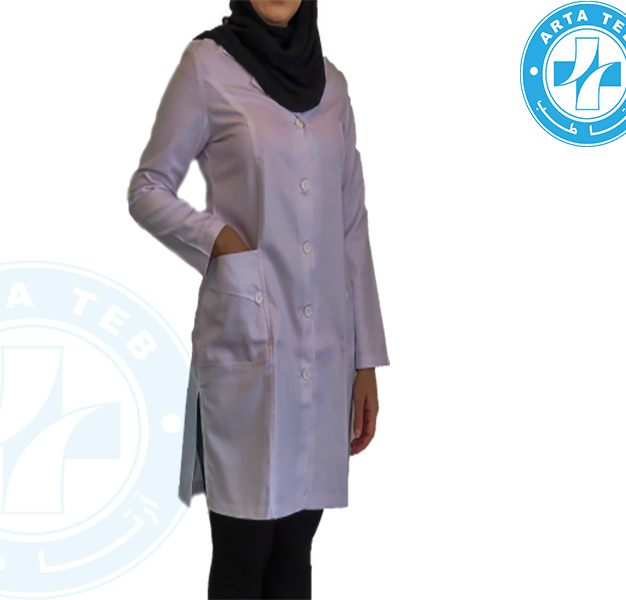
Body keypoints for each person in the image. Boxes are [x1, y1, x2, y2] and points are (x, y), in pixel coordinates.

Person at [127, 1, 390, 597]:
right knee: (245, 547)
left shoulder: (333, 85)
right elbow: (148, 188)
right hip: (247, 342)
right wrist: (216, 238)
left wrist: (366, 361)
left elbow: (352, 226)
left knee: (297, 546)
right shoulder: (207, 65)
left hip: (325, 348)